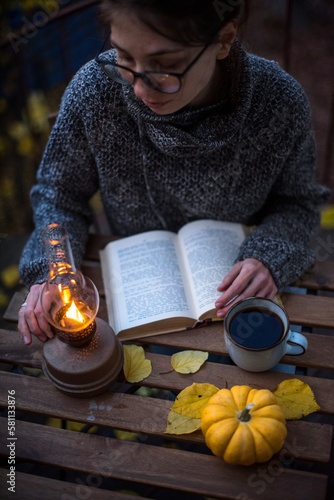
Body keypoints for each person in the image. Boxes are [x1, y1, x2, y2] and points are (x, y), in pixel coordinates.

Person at [18, 0, 330, 345]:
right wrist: (55, 271)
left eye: (164, 67)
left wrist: (271, 256)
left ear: (223, 40)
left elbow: (299, 204)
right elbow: (58, 195)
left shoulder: (278, 101)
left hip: (240, 304)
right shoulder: (96, 92)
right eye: (123, 57)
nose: (138, 89)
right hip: (133, 295)